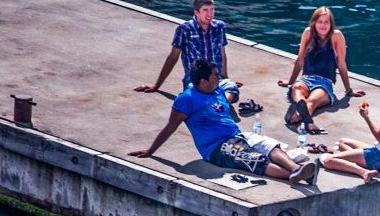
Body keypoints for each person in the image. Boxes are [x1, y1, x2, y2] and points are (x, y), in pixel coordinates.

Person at [131, 60, 318, 186]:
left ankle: (297, 169)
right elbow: (170, 127)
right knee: (255, 159)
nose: (218, 77)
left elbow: (224, 105)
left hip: (237, 134)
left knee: (269, 146)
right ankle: (300, 176)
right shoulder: (186, 100)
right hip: (217, 147)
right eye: (214, 75)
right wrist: (150, 151)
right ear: (203, 81)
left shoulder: (217, 91)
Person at [135, 0, 240, 108]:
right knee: (192, 95)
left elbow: (222, 54)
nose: (210, 14)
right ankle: (216, 105)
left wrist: (225, 78)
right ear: (196, 12)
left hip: (216, 78)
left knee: (232, 88)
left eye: (212, 9)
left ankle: (219, 106)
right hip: (195, 80)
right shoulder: (184, 29)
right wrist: (157, 85)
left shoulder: (220, 27)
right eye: (205, 10)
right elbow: (173, 58)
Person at [283, 6, 357, 134]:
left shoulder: (336, 36)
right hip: (306, 79)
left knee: (311, 101)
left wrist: (349, 91)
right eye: (320, 22)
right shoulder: (308, 33)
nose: (323, 25)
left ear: (331, 23)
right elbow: (300, 59)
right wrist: (290, 82)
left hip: (324, 84)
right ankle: (307, 120)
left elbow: (341, 64)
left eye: (326, 22)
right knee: (297, 88)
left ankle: (299, 113)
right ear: (314, 22)